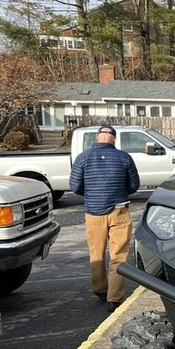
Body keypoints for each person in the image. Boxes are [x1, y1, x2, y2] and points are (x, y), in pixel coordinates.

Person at [69, 125, 140, 312]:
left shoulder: (83, 158)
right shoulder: (124, 157)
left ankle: (100, 289)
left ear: (97, 137)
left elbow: (75, 186)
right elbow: (134, 186)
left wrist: (93, 192)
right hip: (119, 211)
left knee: (96, 254)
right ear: (114, 139)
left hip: (93, 212)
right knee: (119, 256)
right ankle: (114, 298)